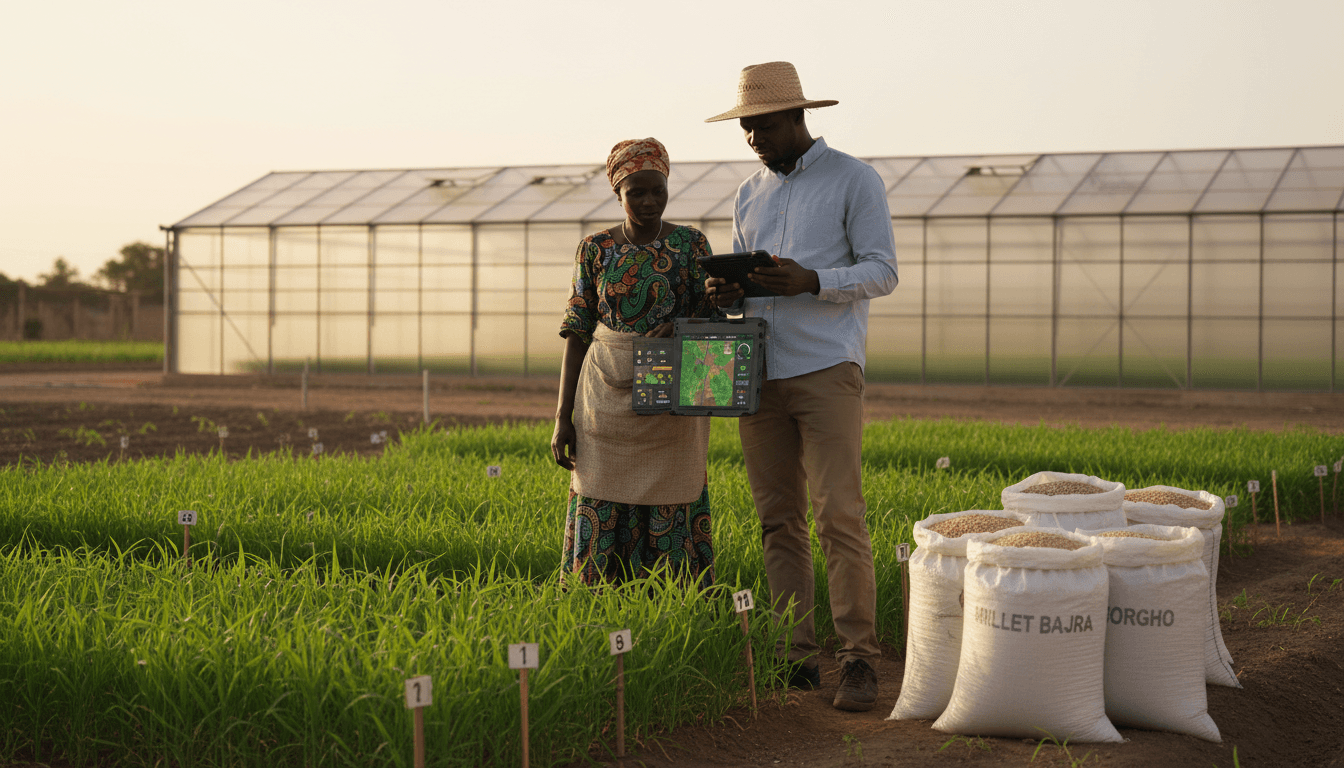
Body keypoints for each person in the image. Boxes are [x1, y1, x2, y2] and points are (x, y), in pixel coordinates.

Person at [704, 62, 898, 712]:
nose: (752, 137)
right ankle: (795, 657)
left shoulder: (853, 179)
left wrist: (813, 280)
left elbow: (882, 271)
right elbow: (745, 283)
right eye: (745, 127)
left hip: (825, 369)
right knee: (777, 521)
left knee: (839, 513)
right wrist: (728, 292)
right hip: (760, 373)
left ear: (797, 116)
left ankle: (859, 659)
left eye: (762, 125)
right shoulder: (749, 194)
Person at [551, 138, 718, 588]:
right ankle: (595, 603)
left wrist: (681, 328)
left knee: (674, 493)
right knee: (599, 492)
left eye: (657, 190)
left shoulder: (690, 245)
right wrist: (562, 417)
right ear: (617, 192)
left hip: (670, 400)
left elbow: (713, 317)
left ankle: (675, 605)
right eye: (636, 192)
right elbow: (577, 331)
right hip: (604, 398)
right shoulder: (595, 249)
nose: (648, 201)